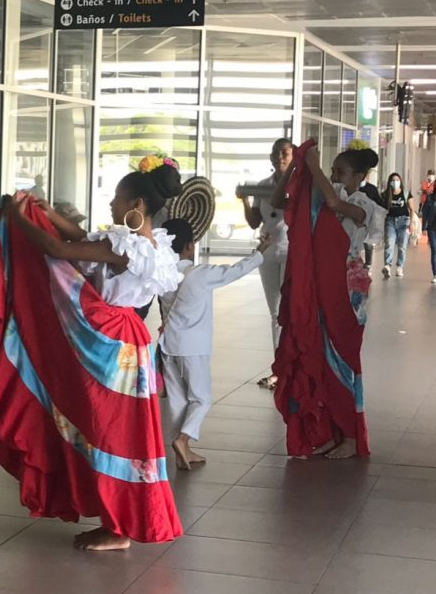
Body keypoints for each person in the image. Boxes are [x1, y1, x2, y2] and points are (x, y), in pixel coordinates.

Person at [0, 154, 184, 552]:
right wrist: (46, 211)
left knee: (106, 428)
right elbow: (80, 238)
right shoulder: (156, 247)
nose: (111, 205)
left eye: (118, 199)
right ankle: (119, 518)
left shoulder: (127, 247)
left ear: (137, 205)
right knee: (117, 430)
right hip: (128, 340)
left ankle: (119, 524)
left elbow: (59, 248)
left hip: (108, 343)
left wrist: (17, 220)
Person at [270, 141, 384, 460]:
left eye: (341, 172)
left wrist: (315, 167)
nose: (334, 176)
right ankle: (330, 429)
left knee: (342, 358)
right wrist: (295, 168)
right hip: (323, 280)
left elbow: (335, 203)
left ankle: (349, 433)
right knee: (320, 353)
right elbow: (279, 200)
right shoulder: (321, 192)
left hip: (346, 285)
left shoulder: (364, 204)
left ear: (360, 176)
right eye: (333, 170)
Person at [158, 219, 269, 470]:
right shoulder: (199, 274)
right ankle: (183, 439)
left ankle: (182, 449)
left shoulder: (163, 276)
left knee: (177, 400)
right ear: (189, 246)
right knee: (202, 398)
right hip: (193, 347)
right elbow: (234, 271)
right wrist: (259, 252)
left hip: (168, 345)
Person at [239, 138, 292, 390]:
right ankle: (279, 368)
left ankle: (294, 367)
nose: (279, 157)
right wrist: (245, 200)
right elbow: (253, 222)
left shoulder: (300, 186)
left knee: (291, 311)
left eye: (285, 153)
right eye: (276, 153)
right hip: (269, 252)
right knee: (276, 311)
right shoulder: (262, 187)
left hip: (293, 251)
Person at [382, 172, 414, 278]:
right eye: (393, 180)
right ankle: (387, 265)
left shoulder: (405, 193)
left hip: (404, 221)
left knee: (402, 246)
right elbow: (382, 209)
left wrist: (412, 224)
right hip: (390, 221)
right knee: (389, 243)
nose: (395, 182)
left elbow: (412, 208)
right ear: (390, 182)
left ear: (400, 181)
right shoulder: (386, 194)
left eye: (397, 180)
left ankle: (400, 267)